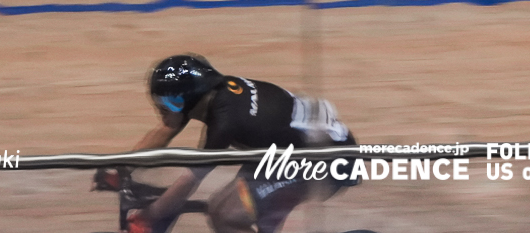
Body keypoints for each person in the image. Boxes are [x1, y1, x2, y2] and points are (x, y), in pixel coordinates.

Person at [101, 54, 355, 233]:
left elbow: (189, 182)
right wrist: (121, 170)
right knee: (226, 207)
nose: (161, 111)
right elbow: (166, 130)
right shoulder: (217, 92)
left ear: (183, 101)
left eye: (165, 105)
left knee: (225, 214)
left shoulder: (225, 122)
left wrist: (149, 217)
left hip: (326, 165)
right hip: (293, 153)